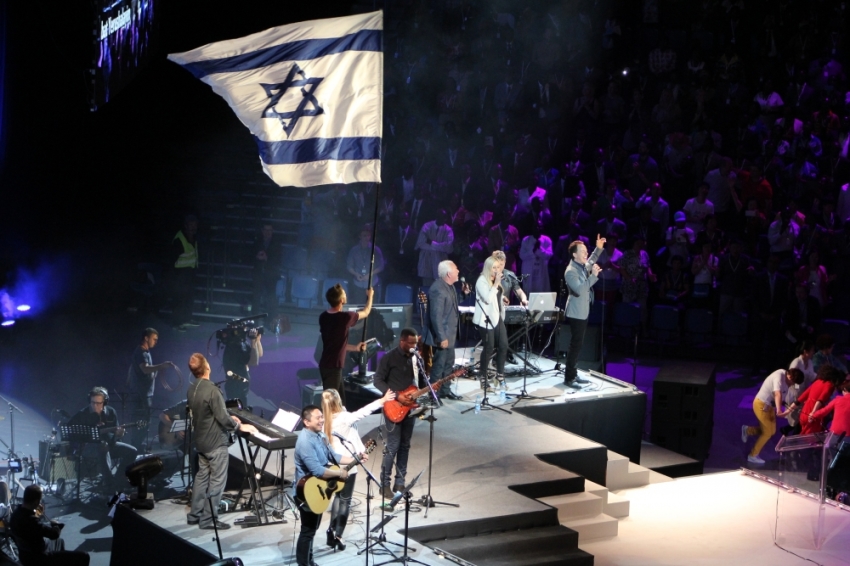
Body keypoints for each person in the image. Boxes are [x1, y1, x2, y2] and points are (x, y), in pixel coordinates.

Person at [186, 353, 257, 530]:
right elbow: (223, 419)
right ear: (207, 367)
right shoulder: (212, 390)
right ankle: (208, 520)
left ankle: (195, 515)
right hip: (215, 443)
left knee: (201, 478)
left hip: (201, 442)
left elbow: (210, 414)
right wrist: (239, 425)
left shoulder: (192, 388)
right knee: (217, 481)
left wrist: (229, 418)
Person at [320, 388, 394, 550]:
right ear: (338, 400)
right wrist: (382, 401)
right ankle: (338, 536)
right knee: (345, 500)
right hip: (347, 464)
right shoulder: (344, 418)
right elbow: (363, 412)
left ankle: (331, 529)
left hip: (332, 464)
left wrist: (361, 450)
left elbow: (351, 436)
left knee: (337, 497)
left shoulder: (324, 420)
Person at [293, 405, 357, 566]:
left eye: (322, 416)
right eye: (318, 418)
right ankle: (304, 563)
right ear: (306, 422)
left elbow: (333, 456)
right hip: (307, 492)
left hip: (319, 489)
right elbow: (317, 470)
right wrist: (339, 473)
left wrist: (355, 459)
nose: (322, 420)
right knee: (307, 531)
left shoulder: (321, 435)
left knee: (312, 529)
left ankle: (310, 561)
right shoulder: (305, 442)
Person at [373, 328, 422, 499]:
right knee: (393, 446)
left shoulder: (415, 358)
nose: (414, 346)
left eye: (415, 343)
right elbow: (377, 380)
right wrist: (396, 395)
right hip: (393, 406)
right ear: (402, 341)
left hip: (409, 407)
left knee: (405, 445)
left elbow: (418, 381)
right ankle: (384, 484)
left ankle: (400, 482)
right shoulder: (389, 358)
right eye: (411, 343)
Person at [67, 387, 138, 488]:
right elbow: (69, 430)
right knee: (103, 445)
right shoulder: (83, 414)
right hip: (89, 449)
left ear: (105, 402)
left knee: (132, 451)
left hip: (109, 445)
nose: (95, 405)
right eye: (93, 402)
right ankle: (109, 483)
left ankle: (118, 479)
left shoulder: (111, 412)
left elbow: (115, 435)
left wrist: (119, 434)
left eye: (99, 403)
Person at [319, 284, 373, 406]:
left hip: (328, 365)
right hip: (333, 366)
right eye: (344, 293)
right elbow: (366, 312)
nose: (346, 295)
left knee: (341, 403)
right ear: (341, 300)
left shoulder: (323, 317)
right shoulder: (345, 317)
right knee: (332, 404)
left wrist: (355, 348)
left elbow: (336, 343)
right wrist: (370, 296)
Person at [9, 484, 90, 566]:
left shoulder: (15, 514)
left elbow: (33, 529)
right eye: (39, 500)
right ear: (36, 502)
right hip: (39, 558)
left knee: (59, 541)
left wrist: (37, 515)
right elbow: (54, 534)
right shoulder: (31, 521)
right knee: (84, 556)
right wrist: (56, 525)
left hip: (24, 555)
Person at [563, 235, 605, 389]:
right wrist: (593, 276)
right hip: (576, 312)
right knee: (575, 345)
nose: (586, 253)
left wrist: (598, 248)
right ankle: (569, 377)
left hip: (582, 311)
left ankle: (573, 373)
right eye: (583, 251)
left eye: (586, 251)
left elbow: (591, 260)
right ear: (574, 254)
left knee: (578, 345)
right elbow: (580, 290)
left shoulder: (580, 266)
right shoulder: (570, 271)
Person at [126, 328, 176, 450]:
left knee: (143, 422)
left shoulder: (145, 353)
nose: (156, 342)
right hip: (141, 395)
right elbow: (145, 369)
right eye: (154, 339)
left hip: (143, 394)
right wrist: (161, 366)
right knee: (141, 423)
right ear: (146, 338)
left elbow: (134, 370)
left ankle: (138, 447)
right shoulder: (141, 352)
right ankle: (136, 448)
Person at [425, 260, 469, 400]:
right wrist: (441, 337)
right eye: (456, 269)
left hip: (450, 334)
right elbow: (435, 316)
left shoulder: (449, 287)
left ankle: (445, 390)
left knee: (449, 364)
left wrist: (464, 294)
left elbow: (451, 305)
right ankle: (433, 394)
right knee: (439, 366)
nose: (458, 271)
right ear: (449, 273)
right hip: (442, 335)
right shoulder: (438, 289)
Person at [742, 368, 804, 465]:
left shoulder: (788, 381)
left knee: (772, 431)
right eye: (793, 383)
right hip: (761, 405)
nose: (792, 385)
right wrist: (779, 410)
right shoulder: (778, 376)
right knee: (767, 433)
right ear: (790, 377)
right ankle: (752, 455)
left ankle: (748, 430)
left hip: (770, 406)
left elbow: (783, 395)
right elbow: (777, 394)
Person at [473, 256, 508, 390]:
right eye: (494, 267)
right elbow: (487, 298)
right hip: (485, 319)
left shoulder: (495, 281)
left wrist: (502, 298)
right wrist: (496, 284)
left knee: (503, 345)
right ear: (488, 268)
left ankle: (500, 375)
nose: (497, 270)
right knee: (489, 347)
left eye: (498, 267)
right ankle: (483, 377)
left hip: (497, 317)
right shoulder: (481, 281)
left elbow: (495, 296)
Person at [797, 365, 844, 435]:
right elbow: (821, 399)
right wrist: (813, 412)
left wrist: (787, 411)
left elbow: (802, 396)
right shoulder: (829, 385)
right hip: (814, 413)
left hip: (804, 412)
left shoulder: (817, 382)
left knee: (804, 435)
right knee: (811, 437)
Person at [171, 214, 199, 331]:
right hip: (180, 273)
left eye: (195, 225)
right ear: (186, 226)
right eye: (191, 225)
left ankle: (187, 319)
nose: (193, 227)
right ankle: (176, 323)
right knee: (179, 298)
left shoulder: (193, 237)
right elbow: (172, 258)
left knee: (189, 297)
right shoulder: (180, 239)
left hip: (190, 272)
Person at [222, 326, 263, 404]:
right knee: (238, 408)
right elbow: (254, 362)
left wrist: (257, 341)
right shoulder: (235, 346)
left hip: (241, 384)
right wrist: (253, 341)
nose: (246, 331)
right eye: (244, 329)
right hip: (236, 386)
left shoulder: (243, 343)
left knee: (242, 406)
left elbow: (259, 354)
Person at [346, 225, 385, 305]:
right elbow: (349, 266)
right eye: (364, 235)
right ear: (359, 236)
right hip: (358, 284)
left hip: (372, 284)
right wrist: (356, 274)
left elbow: (381, 266)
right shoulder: (354, 250)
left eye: (368, 235)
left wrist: (370, 274)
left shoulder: (376, 249)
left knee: (372, 308)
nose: (366, 238)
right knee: (358, 307)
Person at [251, 223, 282, 323]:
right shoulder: (257, 242)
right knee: (256, 298)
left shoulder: (277, 243)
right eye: (265, 230)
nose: (267, 232)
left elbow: (278, 259)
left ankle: (270, 321)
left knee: (271, 299)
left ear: (272, 231)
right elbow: (249, 256)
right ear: (262, 231)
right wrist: (257, 257)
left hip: (271, 275)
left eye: (269, 230)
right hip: (258, 274)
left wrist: (267, 258)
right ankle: (255, 321)